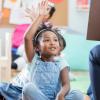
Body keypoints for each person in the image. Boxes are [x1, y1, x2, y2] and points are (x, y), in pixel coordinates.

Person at [22, 0, 84, 100]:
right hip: (39, 98)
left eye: (55, 40)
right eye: (46, 40)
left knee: (78, 94)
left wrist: (61, 94)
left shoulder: (61, 62)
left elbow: (66, 84)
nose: (52, 42)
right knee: (28, 88)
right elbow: (27, 38)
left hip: (56, 98)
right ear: (37, 47)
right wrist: (40, 17)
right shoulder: (33, 59)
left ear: (59, 46)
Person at [0, 1, 56, 100]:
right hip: (14, 87)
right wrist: (36, 19)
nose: (52, 43)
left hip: (16, 91)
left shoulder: (39, 59)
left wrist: (37, 18)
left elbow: (28, 38)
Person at [11, 1, 56, 70]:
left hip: (40, 56)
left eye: (46, 9)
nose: (42, 9)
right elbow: (28, 39)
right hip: (28, 54)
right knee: (20, 57)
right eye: (42, 7)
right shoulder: (34, 23)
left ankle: (15, 65)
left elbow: (41, 34)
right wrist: (35, 19)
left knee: (25, 62)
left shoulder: (49, 26)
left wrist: (35, 19)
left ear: (48, 15)